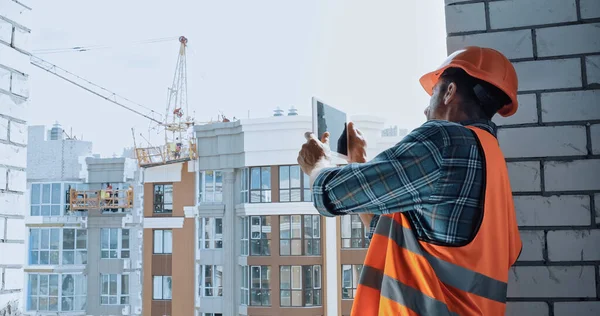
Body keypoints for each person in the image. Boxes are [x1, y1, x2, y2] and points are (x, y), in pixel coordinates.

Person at [297, 46, 522, 316]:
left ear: (449, 92)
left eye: (433, 93)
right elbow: (388, 232)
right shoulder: (492, 160)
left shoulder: (445, 140)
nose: (426, 110)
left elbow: (330, 193)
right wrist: (358, 161)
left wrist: (318, 164)